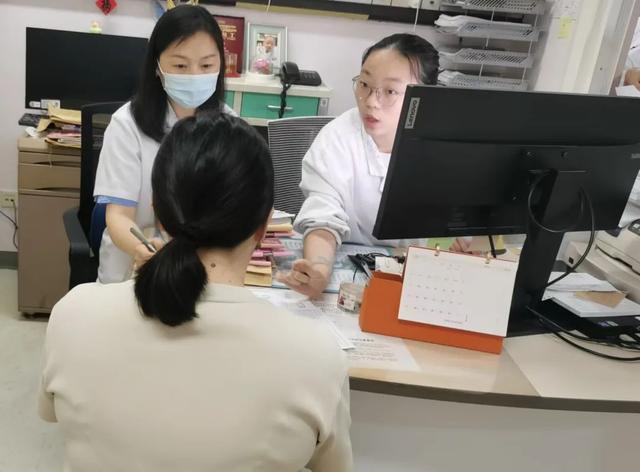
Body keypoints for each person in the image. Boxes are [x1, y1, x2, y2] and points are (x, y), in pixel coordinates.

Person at [39, 113, 353, 472]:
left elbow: (52, 414)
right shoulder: (317, 356)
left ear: (158, 210)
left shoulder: (73, 315)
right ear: (264, 225)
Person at [279, 33, 447, 298]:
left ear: (426, 96)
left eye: (390, 91)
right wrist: (319, 271)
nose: (370, 101)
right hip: (347, 280)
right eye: (365, 84)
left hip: (423, 284)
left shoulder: (444, 147)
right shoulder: (337, 138)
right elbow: (323, 218)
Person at [93, 4, 233, 283]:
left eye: (206, 65)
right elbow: (118, 216)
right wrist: (142, 251)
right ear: (157, 66)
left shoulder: (230, 126)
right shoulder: (127, 125)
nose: (194, 75)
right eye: (180, 65)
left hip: (205, 271)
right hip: (133, 271)